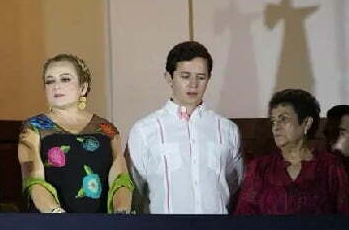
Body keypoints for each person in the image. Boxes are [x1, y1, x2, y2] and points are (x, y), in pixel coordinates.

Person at [127, 41, 244, 213]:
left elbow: (235, 182)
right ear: (169, 77)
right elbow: (137, 188)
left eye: (201, 77)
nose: (193, 84)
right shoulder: (144, 130)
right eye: (185, 76)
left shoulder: (228, 130)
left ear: (209, 79)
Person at [18, 54, 132, 213]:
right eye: (50, 81)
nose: (56, 86)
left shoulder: (106, 128)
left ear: (83, 88)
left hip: (103, 227)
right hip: (52, 225)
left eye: (65, 79)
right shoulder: (33, 127)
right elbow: (34, 181)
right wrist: (56, 215)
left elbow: (121, 180)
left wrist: (122, 212)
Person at [234, 89, 349, 214]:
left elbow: (343, 216)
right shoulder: (259, 168)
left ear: (306, 123)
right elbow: (244, 218)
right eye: (273, 121)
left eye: (283, 119)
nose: (276, 127)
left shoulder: (330, 166)